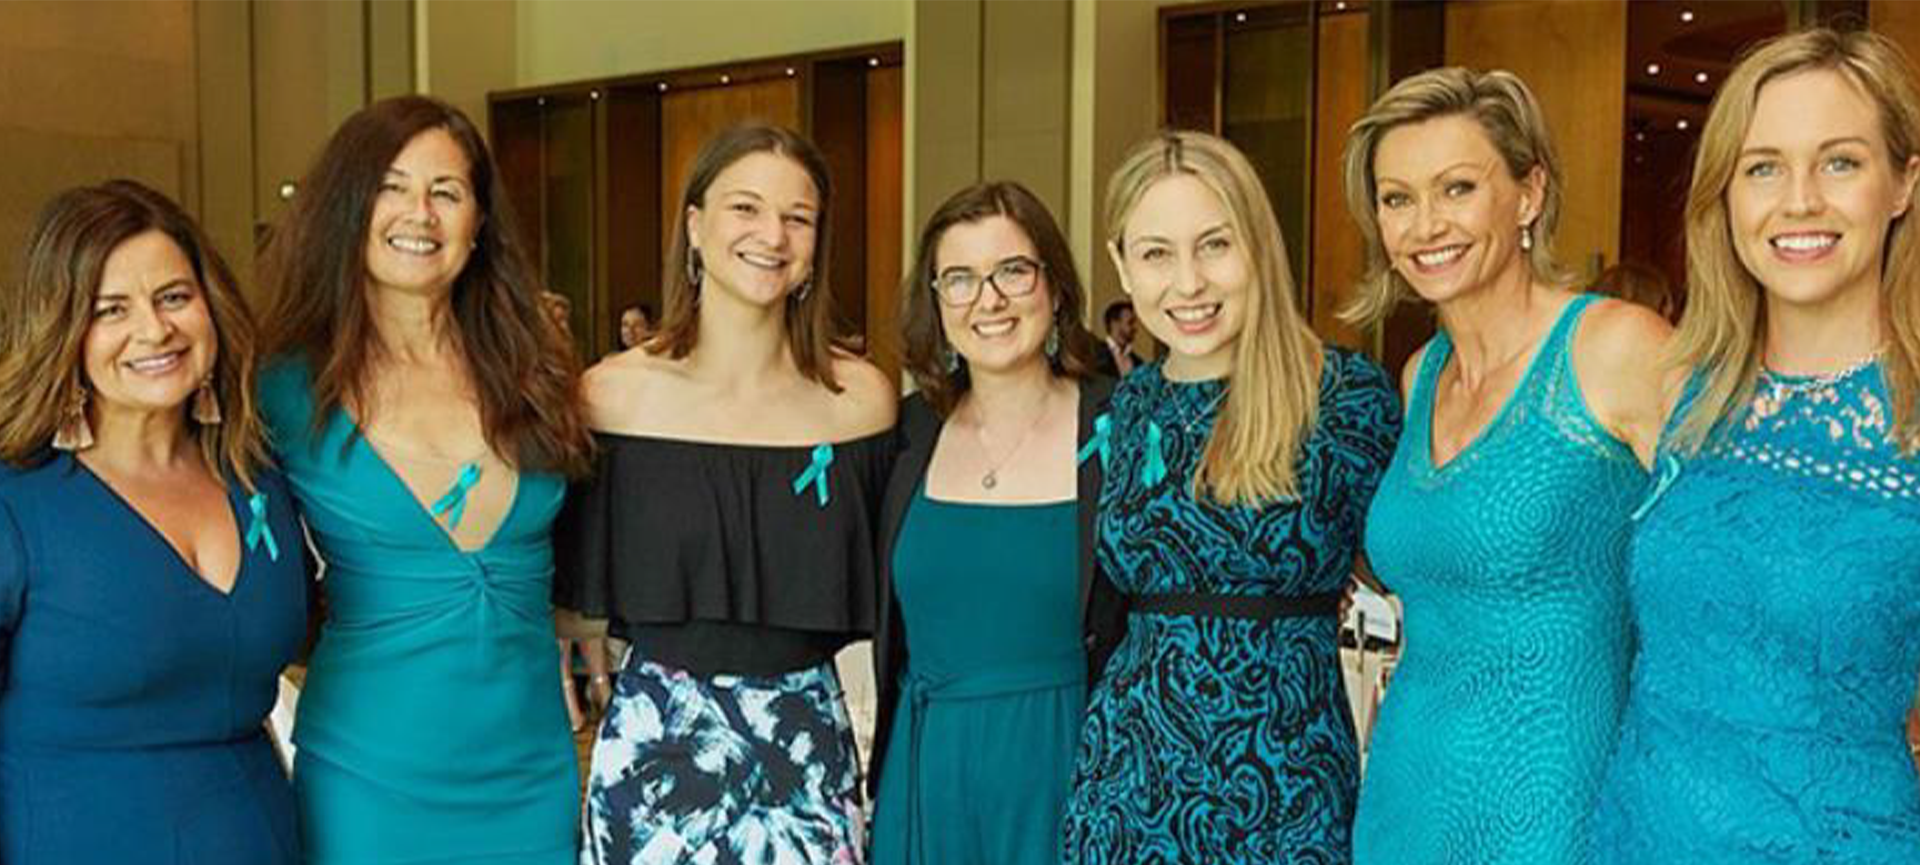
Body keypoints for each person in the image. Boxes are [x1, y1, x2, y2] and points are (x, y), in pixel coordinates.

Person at [1591, 28, 1920, 863]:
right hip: (1637, 833)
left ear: (1902, 184)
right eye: (1763, 166)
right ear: (1725, 197)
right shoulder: (1681, 392)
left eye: (1840, 162)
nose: (1798, 199)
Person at [1341, 67, 1671, 864]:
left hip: (1558, 798)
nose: (1425, 224)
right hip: (1406, 790)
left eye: (1457, 188)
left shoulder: (1616, 348)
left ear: (1529, 193)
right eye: (1397, 198)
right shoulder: (1421, 375)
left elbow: (1731, 571)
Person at [256, 95, 594, 865]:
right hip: (367, 776)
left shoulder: (535, 371)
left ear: (479, 222)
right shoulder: (281, 389)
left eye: (447, 191)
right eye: (392, 185)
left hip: (530, 771)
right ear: (349, 207)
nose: (421, 213)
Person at [554, 124, 896, 864]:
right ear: (695, 227)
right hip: (656, 741)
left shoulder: (862, 402)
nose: (771, 234)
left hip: (805, 747)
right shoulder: (610, 396)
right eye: (745, 207)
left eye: (797, 216)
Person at [1060, 130, 1401, 864]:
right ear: (1121, 262)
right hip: (1127, 783)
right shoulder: (1123, 408)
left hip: (1287, 783)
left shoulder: (1344, 397)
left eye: (1214, 244)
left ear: (1260, 245)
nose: (1188, 283)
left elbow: (1418, 574)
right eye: (1156, 253)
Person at [0, 180, 306, 863]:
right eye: (112, 309)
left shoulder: (261, 473)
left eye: (174, 296)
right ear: (64, 330)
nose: (155, 329)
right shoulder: (16, 502)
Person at [868, 180, 1126, 865]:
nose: (989, 300)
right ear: (936, 302)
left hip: (1068, 763)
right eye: (960, 279)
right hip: (926, 768)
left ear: (1056, 287)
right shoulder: (904, 432)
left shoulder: (1123, 424)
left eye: (1012, 270)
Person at [1094, 300, 1144, 378]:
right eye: (1130, 322)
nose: (1135, 328)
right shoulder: (1094, 354)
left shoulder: (1139, 363)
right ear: (1115, 324)